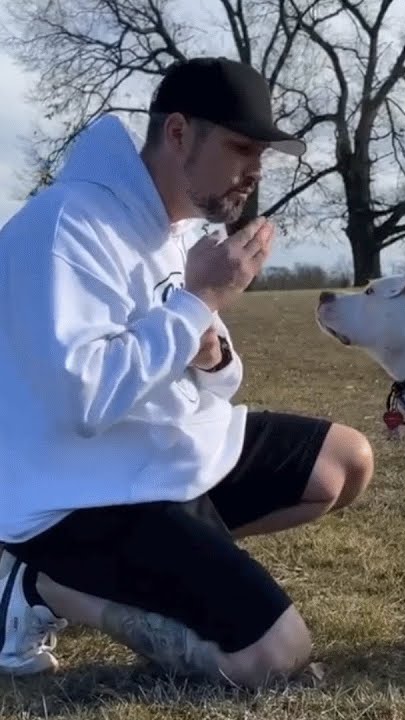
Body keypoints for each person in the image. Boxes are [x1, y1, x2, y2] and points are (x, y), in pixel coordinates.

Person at [0, 57, 375, 686]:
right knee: (272, 658)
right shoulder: (66, 226)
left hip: (155, 453)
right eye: (240, 147)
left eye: (262, 152)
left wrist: (210, 351)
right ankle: (40, 586)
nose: (255, 170)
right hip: (72, 493)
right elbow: (81, 401)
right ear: (178, 133)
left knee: (347, 461)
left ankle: (183, 564)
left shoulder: (170, 227)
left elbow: (213, 372)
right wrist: (198, 302)